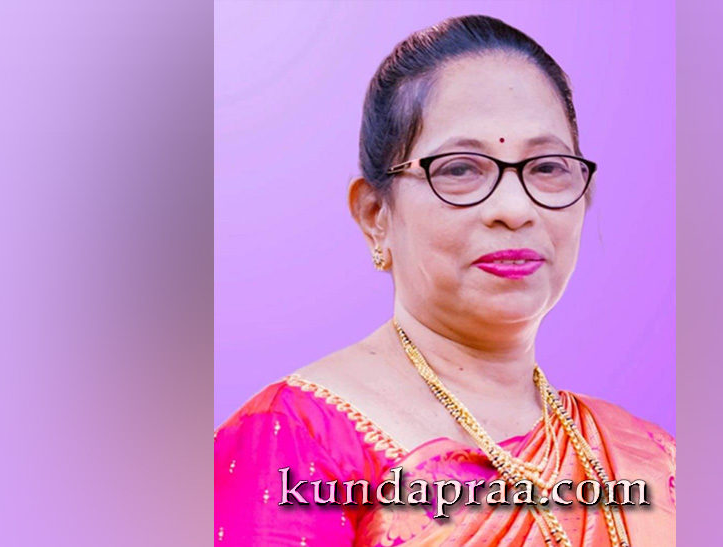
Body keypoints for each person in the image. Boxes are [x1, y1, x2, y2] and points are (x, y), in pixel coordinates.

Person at [215, 14, 674, 546]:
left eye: (547, 168)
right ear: (375, 215)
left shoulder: (649, 455)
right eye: (460, 169)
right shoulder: (296, 436)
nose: (514, 209)